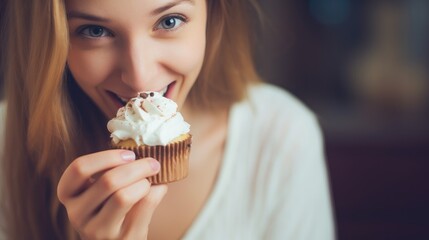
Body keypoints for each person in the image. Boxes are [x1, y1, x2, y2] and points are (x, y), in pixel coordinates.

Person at [0, 0, 336, 239]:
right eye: (94, 30)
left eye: (169, 21)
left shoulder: (281, 134)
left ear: (213, 12)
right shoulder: (5, 141)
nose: (139, 78)